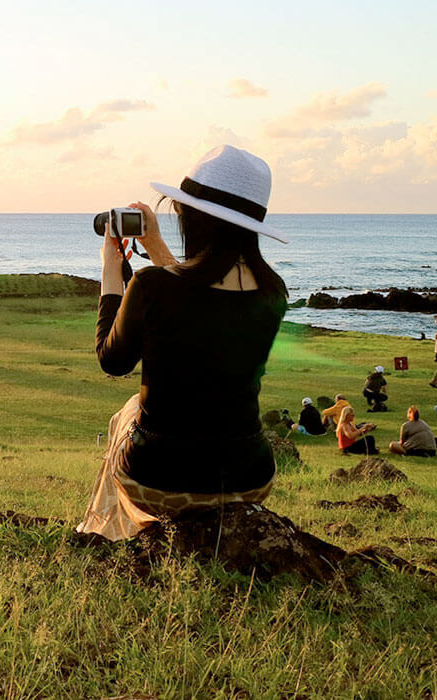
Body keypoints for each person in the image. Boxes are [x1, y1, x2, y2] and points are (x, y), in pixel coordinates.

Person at [77, 145, 289, 541]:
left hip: (159, 480)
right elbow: (200, 300)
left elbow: (113, 361)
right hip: (250, 478)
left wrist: (110, 268)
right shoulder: (273, 292)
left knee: (128, 411)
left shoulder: (151, 286)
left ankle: (103, 532)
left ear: (195, 219)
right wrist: (155, 247)